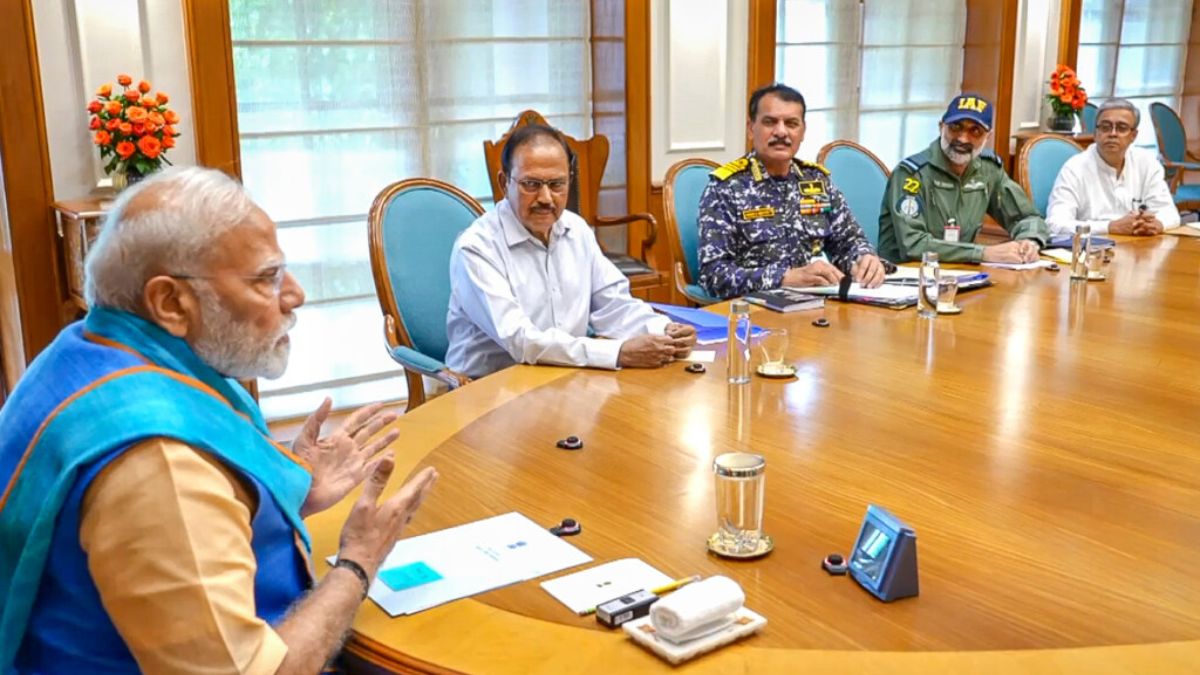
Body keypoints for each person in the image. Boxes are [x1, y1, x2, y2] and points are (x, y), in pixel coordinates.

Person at [0, 167, 438, 673]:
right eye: (267, 278)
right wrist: (358, 563)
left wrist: (288, 493)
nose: (295, 294)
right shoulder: (159, 461)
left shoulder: (88, 350)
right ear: (170, 302)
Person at [446, 124, 696, 378]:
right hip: (486, 389)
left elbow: (614, 304)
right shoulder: (476, 248)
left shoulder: (576, 230)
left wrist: (664, 329)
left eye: (557, 184)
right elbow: (521, 340)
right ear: (504, 182)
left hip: (563, 376)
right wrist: (617, 352)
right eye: (531, 184)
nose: (546, 198)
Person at [697, 83, 887, 299]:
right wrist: (784, 278)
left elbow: (849, 241)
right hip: (755, 311)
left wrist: (864, 259)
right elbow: (713, 275)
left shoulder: (817, 181)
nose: (781, 132)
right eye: (770, 122)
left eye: (791, 123)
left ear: (803, 131)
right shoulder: (725, 188)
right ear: (751, 128)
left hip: (819, 304)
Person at [877, 94, 1049, 264]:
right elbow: (913, 245)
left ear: (987, 137)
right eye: (955, 127)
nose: (962, 138)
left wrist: (1029, 242)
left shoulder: (988, 170)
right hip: (906, 278)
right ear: (941, 127)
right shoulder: (911, 175)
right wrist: (982, 253)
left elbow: (1027, 218)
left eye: (975, 131)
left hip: (960, 276)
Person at [1046, 98, 1180, 236]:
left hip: (1138, 248)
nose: (1113, 134)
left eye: (1122, 128)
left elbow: (1170, 213)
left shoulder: (1147, 163)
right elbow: (1055, 224)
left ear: (1133, 136)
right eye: (1105, 127)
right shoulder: (1075, 168)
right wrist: (1110, 227)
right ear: (1096, 133)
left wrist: (1156, 224)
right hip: (1090, 250)